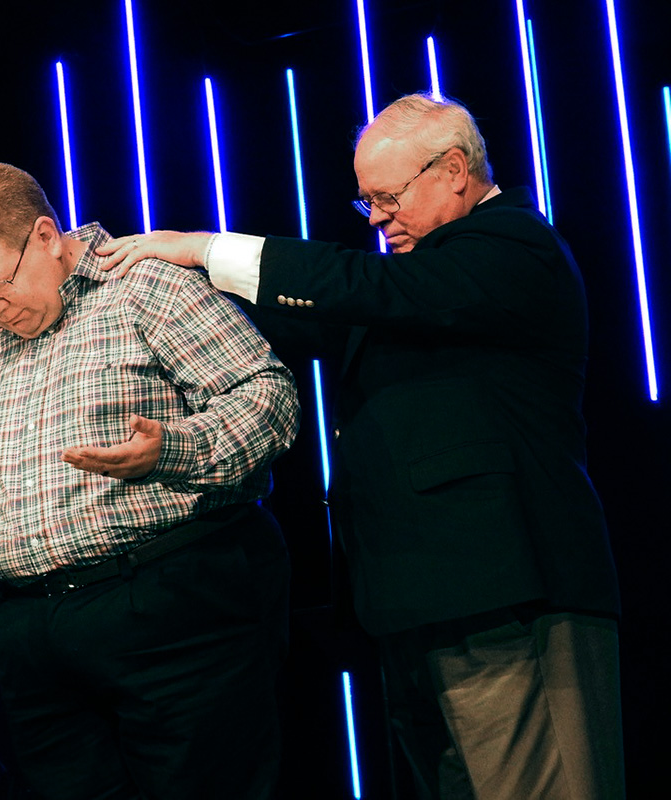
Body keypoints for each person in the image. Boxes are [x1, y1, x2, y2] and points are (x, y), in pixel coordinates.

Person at [97, 93, 625, 799]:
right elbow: (306, 316)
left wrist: (201, 246)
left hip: (511, 593)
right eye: (365, 202)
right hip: (417, 601)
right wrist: (161, 285)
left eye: (388, 197)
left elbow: (358, 285)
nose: (377, 217)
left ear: (456, 170)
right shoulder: (410, 287)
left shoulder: (513, 245)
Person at [0, 162, 300, 799]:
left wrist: (173, 449)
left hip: (168, 607)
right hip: (36, 636)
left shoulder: (148, 287)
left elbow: (270, 398)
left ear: (44, 235)